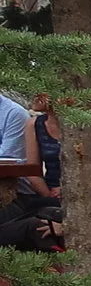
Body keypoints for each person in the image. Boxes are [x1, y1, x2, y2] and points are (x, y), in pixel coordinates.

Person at [0, 89, 62, 251]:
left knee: (44, 218)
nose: (34, 94)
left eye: (41, 89)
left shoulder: (14, 113)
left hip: (30, 193)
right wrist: (48, 194)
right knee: (38, 219)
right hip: (44, 194)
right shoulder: (35, 123)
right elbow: (34, 174)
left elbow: (11, 160)